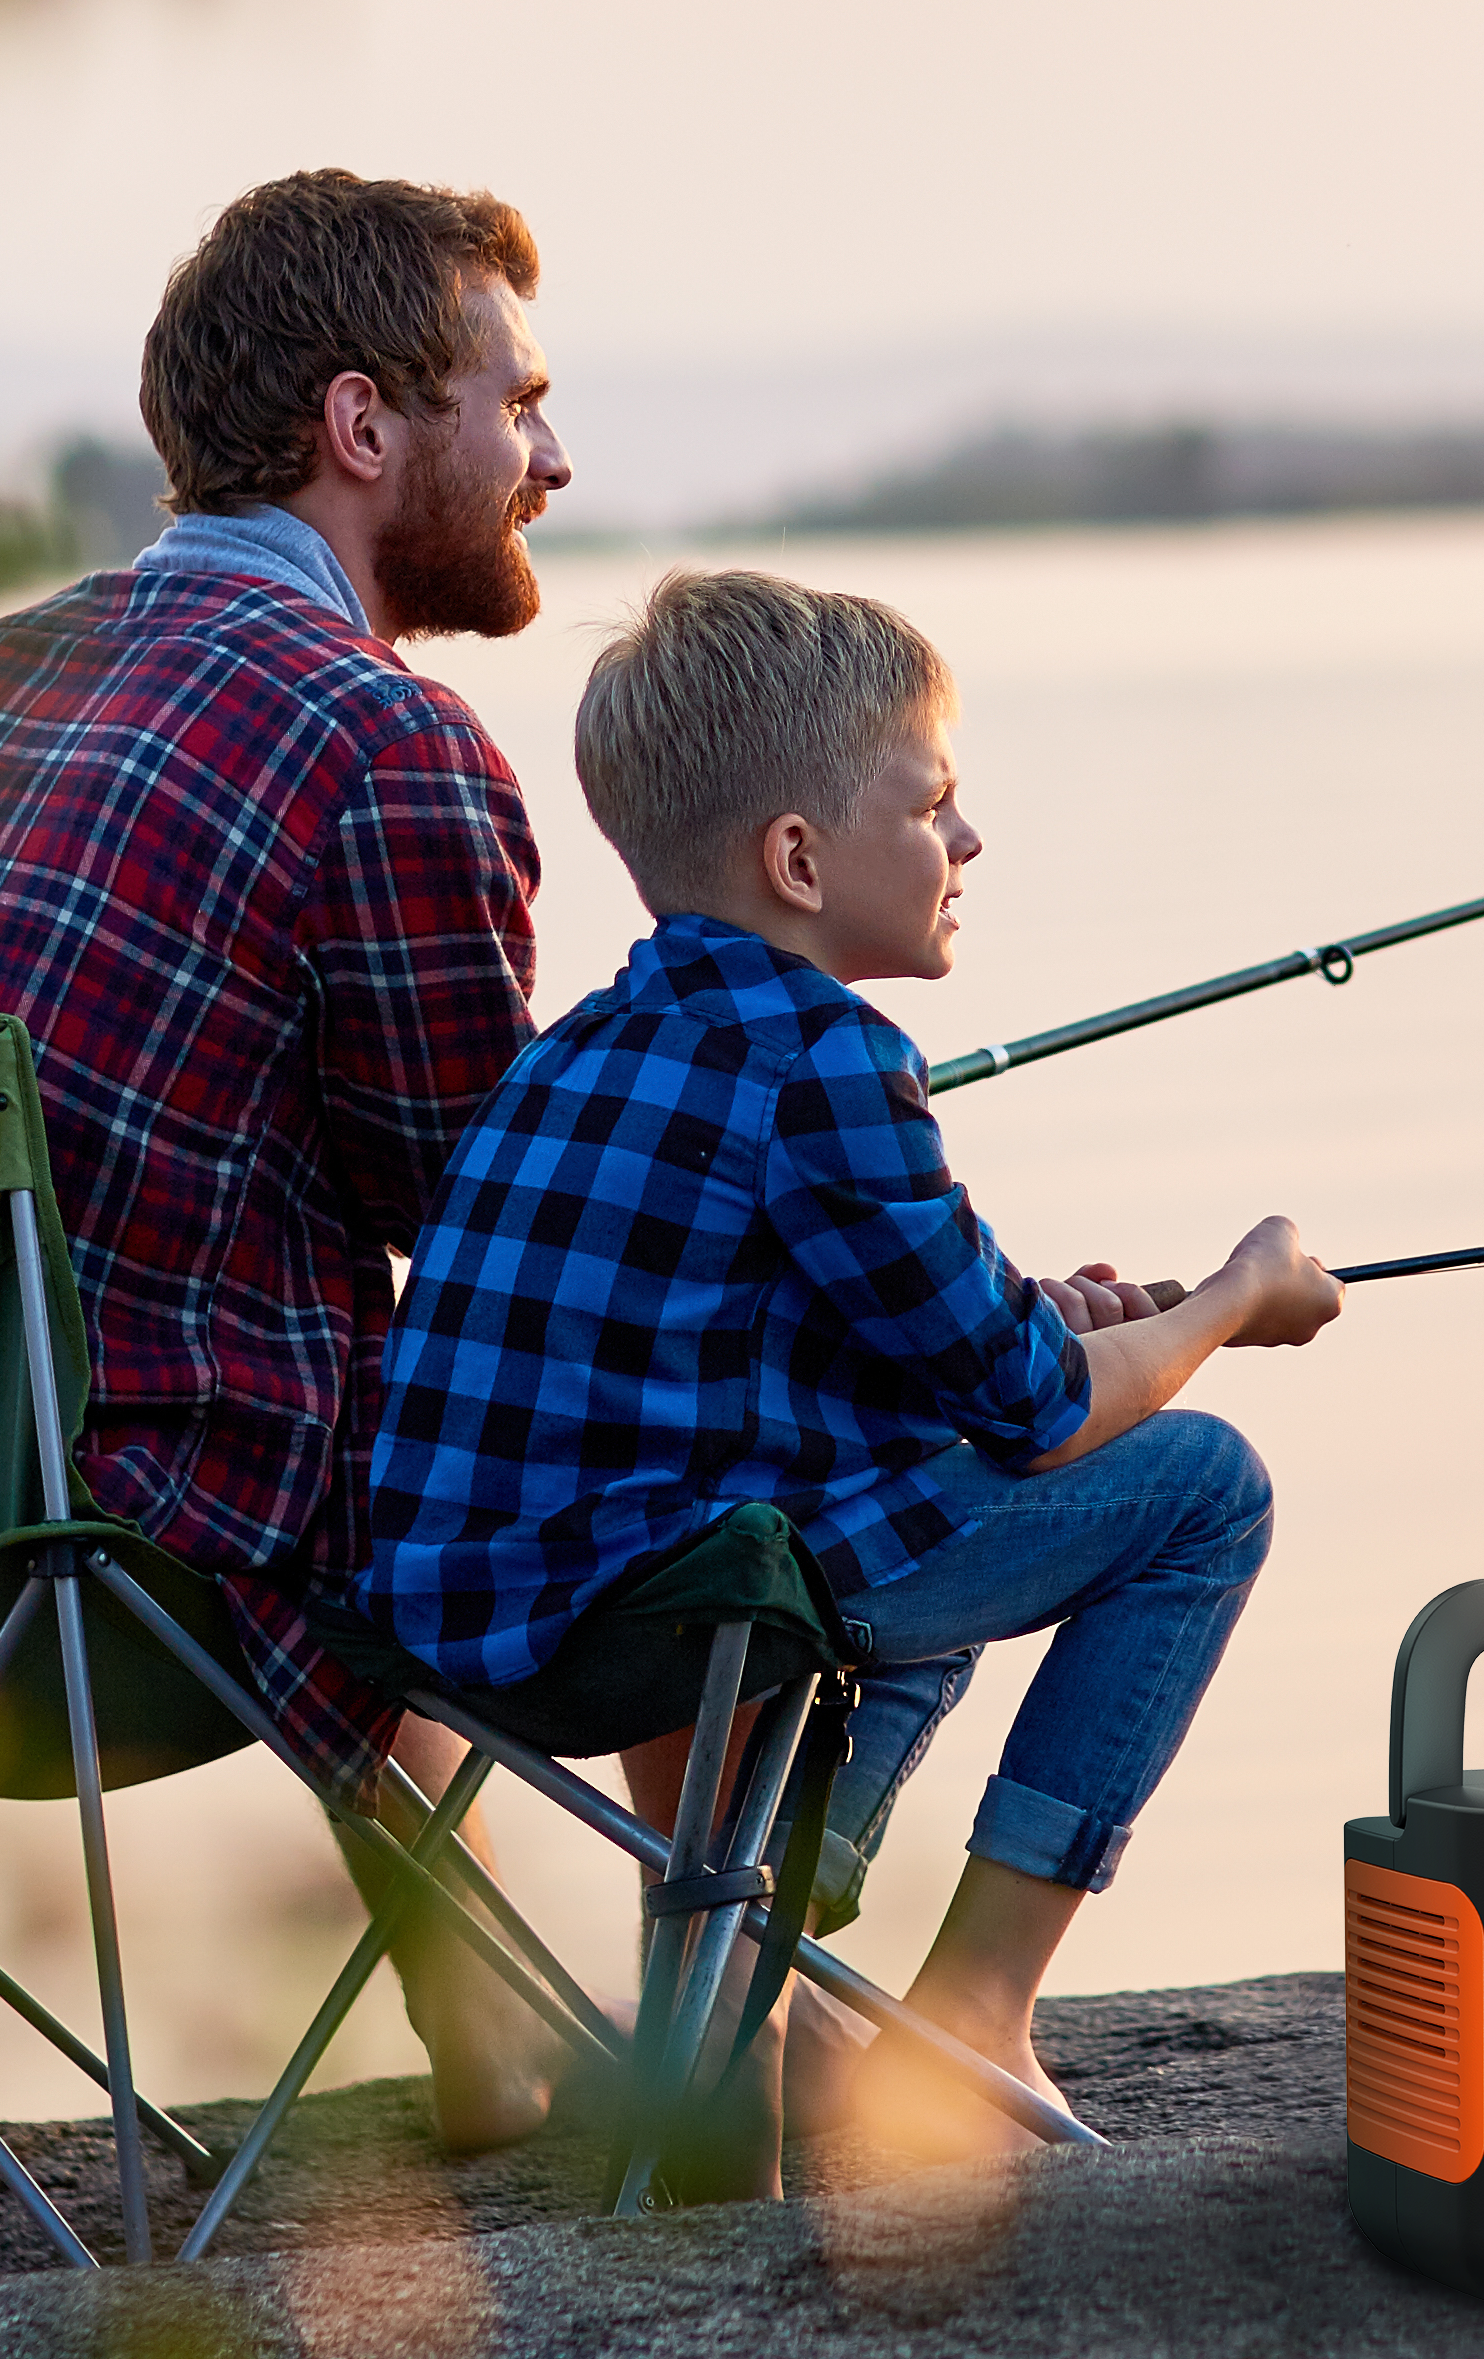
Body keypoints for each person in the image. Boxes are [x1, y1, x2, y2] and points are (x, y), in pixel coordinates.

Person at [0, 170, 585, 2142]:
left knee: (321, 1370)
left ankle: (495, 2024)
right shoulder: (386, 746)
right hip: (71, 1579)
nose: (553, 454)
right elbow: (481, 1252)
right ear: (367, 428)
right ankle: (650, 2043)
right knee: (534, 1402)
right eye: (515, 402)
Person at [356, 566, 1343, 2163]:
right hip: (673, 1617)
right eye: (935, 805)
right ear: (801, 859)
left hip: (468, 1632)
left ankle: (755, 1975)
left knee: (908, 1467)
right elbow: (1034, 1407)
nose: (968, 843)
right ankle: (970, 2004)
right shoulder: (828, 1060)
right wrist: (1235, 1294)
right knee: (1200, 1488)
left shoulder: (580, 1047)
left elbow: (776, 1320)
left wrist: (1045, 1304)